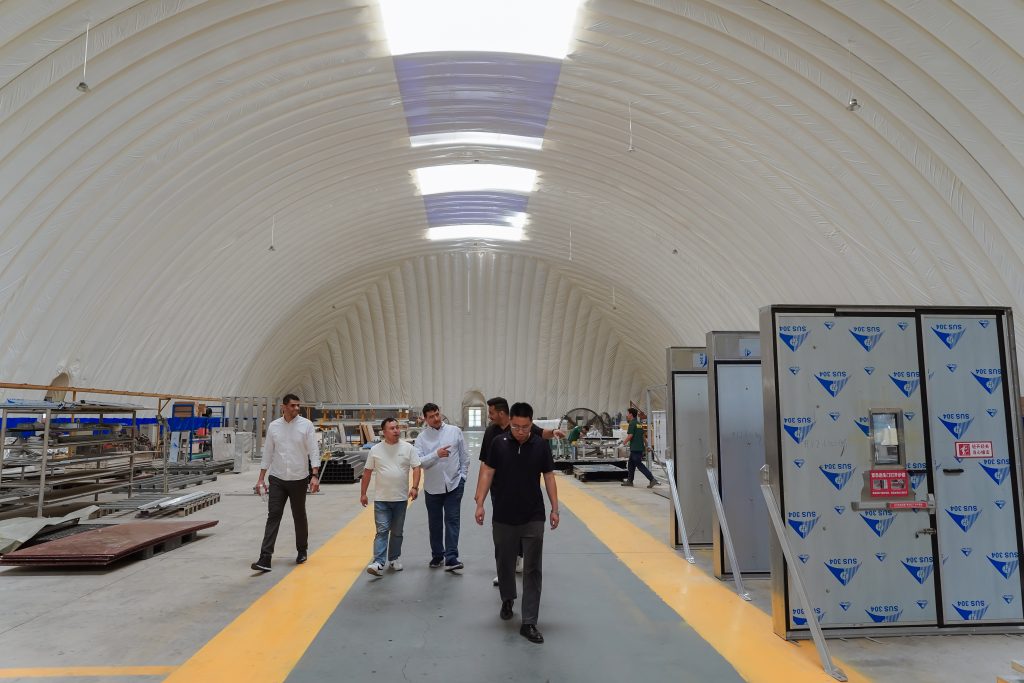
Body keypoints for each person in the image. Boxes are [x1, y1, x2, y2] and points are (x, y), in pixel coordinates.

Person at [475, 402, 559, 644]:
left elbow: (549, 476)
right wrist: (480, 502)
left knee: (532, 569)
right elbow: (487, 472)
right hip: (503, 514)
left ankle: (529, 621)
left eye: (525, 427)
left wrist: (555, 508)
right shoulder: (498, 443)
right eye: (515, 427)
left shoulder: (540, 445)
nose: (520, 431)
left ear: (532, 424)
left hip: (533, 515)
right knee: (505, 562)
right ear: (509, 422)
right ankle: (507, 598)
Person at [477, 396, 563, 585]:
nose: (490, 416)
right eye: (516, 427)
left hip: (527, 494)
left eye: (491, 412)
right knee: (503, 533)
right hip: (500, 491)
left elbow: (542, 435)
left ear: (502, 413)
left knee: (526, 529)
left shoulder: (525, 428)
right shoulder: (492, 434)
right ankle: (504, 570)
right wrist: (479, 497)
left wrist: (554, 432)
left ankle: (519, 560)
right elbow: (485, 465)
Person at [251, 394, 320, 572]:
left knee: (299, 515)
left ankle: (302, 550)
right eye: (292, 405)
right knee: (273, 515)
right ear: (284, 407)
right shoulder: (274, 427)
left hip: (299, 478)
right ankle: (265, 557)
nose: (296, 408)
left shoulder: (306, 425)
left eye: (298, 405)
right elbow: (268, 453)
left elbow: (314, 450)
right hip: (277, 479)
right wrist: (261, 478)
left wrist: (314, 475)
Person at [360, 417, 421, 576]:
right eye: (392, 428)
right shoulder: (375, 450)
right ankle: (378, 562)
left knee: (397, 532)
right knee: (382, 531)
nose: (396, 431)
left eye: (397, 427)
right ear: (384, 432)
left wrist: (415, 487)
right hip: (381, 499)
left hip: (400, 499)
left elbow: (416, 467)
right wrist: (363, 493)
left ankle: (394, 558)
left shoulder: (408, 448)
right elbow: (367, 472)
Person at [415, 402, 469, 571]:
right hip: (432, 488)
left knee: (452, 521)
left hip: (454, 485)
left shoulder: (455, 431)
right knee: (435, 524)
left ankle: (451, 558)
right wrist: (436, 454)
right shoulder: (421, 438)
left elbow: (465, 457)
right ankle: (437, 555)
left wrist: (463, 478)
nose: (436, 418)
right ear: (425, 419)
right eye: (431, 417)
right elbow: (419, 462)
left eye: (437, 414)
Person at [621, 407, 658, 488]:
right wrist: (647, 445)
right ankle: (630, 481)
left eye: (627, 413)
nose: (627, 415)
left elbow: (630, 435)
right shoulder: (638, 424)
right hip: (639, 448)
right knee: (631, 464)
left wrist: (623, 443)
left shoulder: (632, 423)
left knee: (639, 464)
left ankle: (652, 479)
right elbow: (642, 436)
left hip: (635, 448)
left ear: (631, 414)